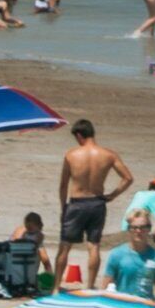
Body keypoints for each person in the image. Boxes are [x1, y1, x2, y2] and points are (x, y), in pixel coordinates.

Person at [54, 119, 132, 286]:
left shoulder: (71, 154)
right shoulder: (109, 155)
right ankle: (89, 286)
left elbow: (63, 185)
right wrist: (112, 195)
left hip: (77, 203)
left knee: (65, 246)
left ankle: (55, 287)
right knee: (93, 246)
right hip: (97, 203)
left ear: (79, 135)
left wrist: (63, 208)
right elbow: (128, 178)